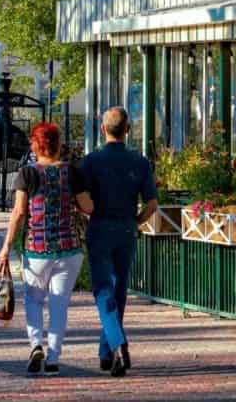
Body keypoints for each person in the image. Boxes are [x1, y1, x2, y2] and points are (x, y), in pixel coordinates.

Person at [0, 122, 93, 376]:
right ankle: (53, 358)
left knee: (33, 300)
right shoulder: (72, 173)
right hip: (68, 248)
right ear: (58, 145)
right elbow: (87, 207)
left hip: (36, 249)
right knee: (59, 304)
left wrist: (6, 246)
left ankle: (35, 345)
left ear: (35, 145)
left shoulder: (27, 174)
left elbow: (19, 213)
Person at [80, 107, 158, 378]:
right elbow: (152, 203)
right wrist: (136, 221)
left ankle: (118, 344)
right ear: (128, 130)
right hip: (126, 228)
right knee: (119, 291)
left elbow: (83, 200)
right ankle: (107, 354)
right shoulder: (140, 161)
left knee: (103, 291)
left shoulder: (91, 161)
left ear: (103, 129)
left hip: (100, 227)